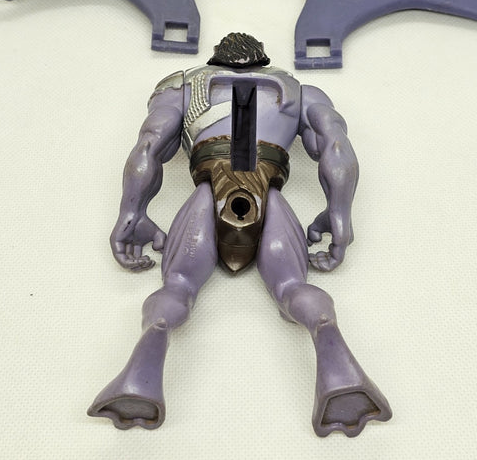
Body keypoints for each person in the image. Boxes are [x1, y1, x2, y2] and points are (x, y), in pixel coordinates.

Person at [88, 33, 392, 436]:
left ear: (217, 59)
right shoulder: (299, 92)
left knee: (178, 285)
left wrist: (132, 212)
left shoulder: (183, 87)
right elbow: (337, 146)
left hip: (206, 193)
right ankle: (341, 374)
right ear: (262, 60)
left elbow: (148, 145)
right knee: (292, 286)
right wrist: (339, 213)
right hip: (270, 193)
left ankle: (137, 382)